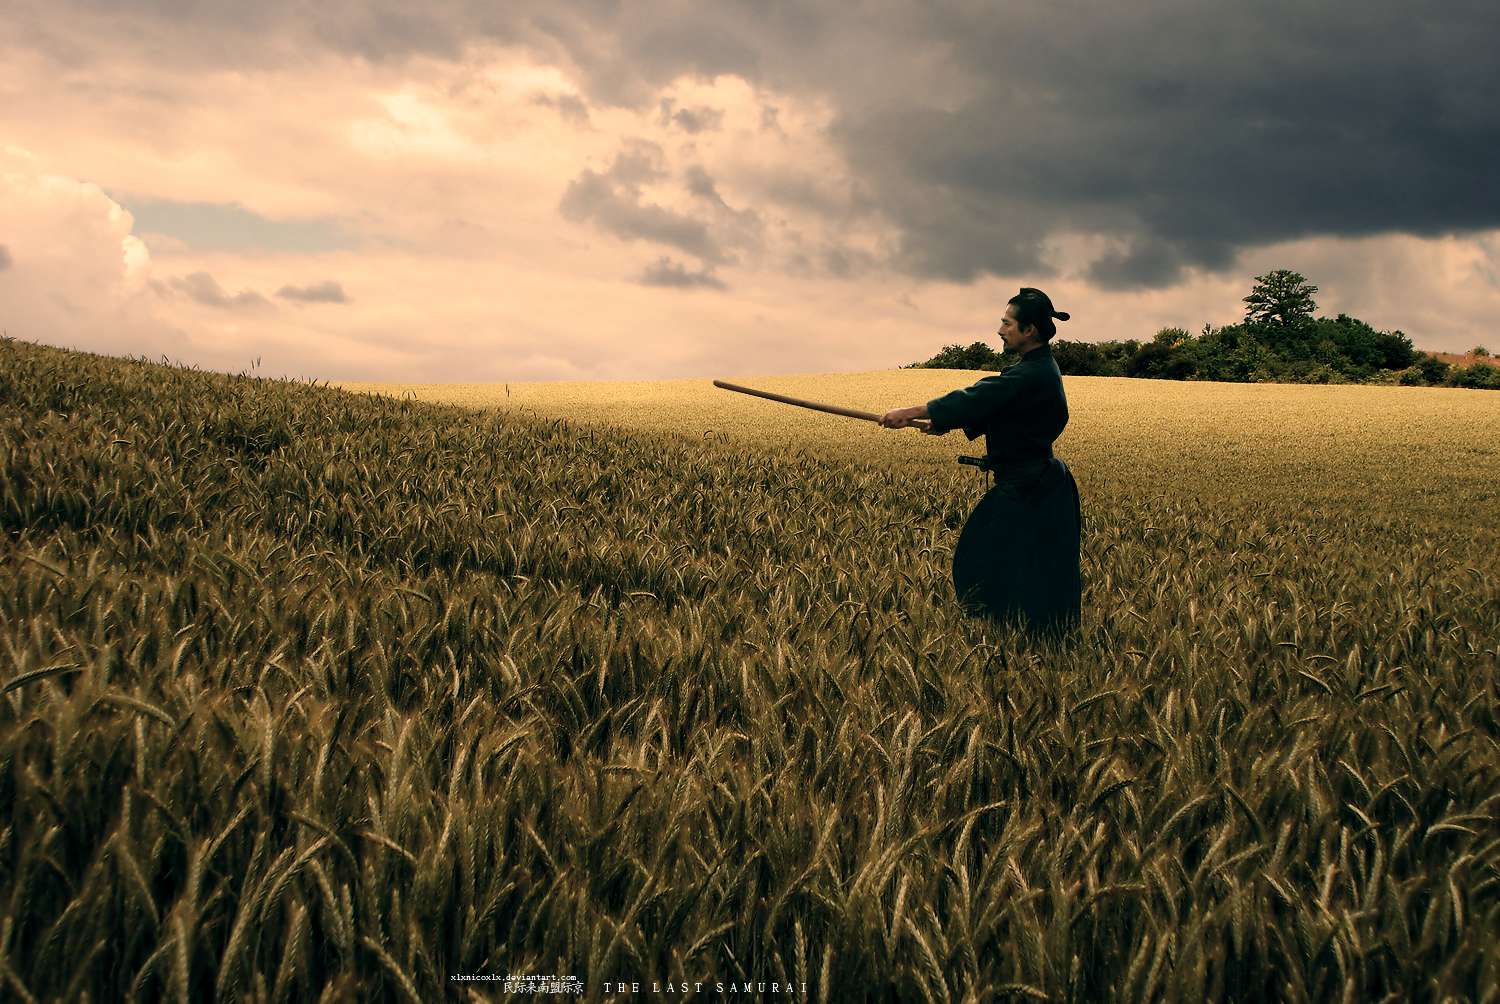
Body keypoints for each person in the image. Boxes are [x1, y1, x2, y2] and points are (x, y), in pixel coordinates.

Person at [880, 287, 1082, 640]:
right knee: (1021, 567)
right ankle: (1015, 639)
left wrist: (910, 412)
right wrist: (940, 422)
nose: (1000, 330)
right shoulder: (1034, 369)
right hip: (1033, 484)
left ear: (1029, 330)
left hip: (1030, 487)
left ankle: (1016, 640)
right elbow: (1000, 408)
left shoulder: (1031, 374)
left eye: (1007, 323)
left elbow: (981, 396)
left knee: (989, 563)